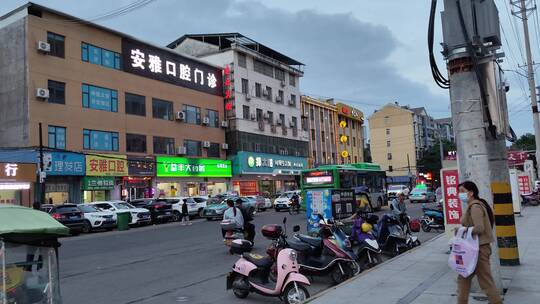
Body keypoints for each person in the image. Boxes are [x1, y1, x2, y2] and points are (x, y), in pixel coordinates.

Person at [456, 181, 501, 304]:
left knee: (485, 282)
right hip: (472, 249)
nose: (460, 194)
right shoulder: (473, 206)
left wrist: (462, 230)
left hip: (479, 250)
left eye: (462, 192)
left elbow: (479, 228)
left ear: (471, 193)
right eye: (459, 192)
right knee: (463, 279)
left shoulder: (475, 207)